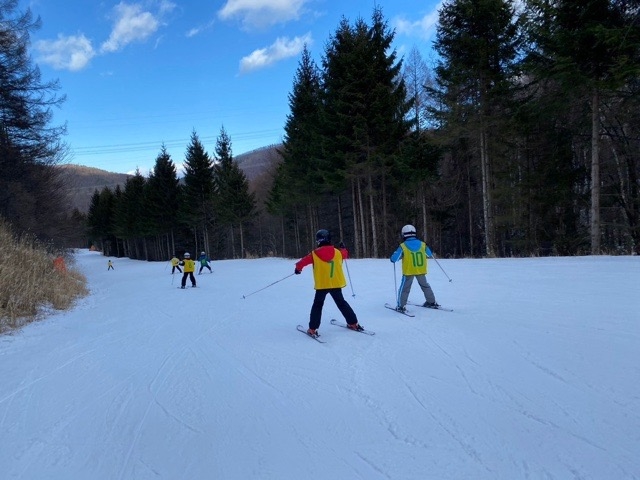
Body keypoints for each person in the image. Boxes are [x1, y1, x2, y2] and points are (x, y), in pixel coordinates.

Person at [294, 229, 363, 337]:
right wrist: (343, 248)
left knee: (318, 305)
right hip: (336, 284)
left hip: (322, 285)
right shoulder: (338, 252)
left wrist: (298, 269)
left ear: (318, 241)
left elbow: (301, 262)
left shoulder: (314, 254)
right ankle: (353, 323)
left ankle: (313, 329)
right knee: (341, 303)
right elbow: (345, 255)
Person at [390, 224, 439, 312]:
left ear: (404, 234)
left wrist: (394, 257)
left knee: (405, 288)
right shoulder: (423, 244)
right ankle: (431, 302)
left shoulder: (403, 246)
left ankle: (401, 306)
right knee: (425, 286)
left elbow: (394, 259)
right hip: (420, 270)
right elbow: (429, 254)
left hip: (409, 271)